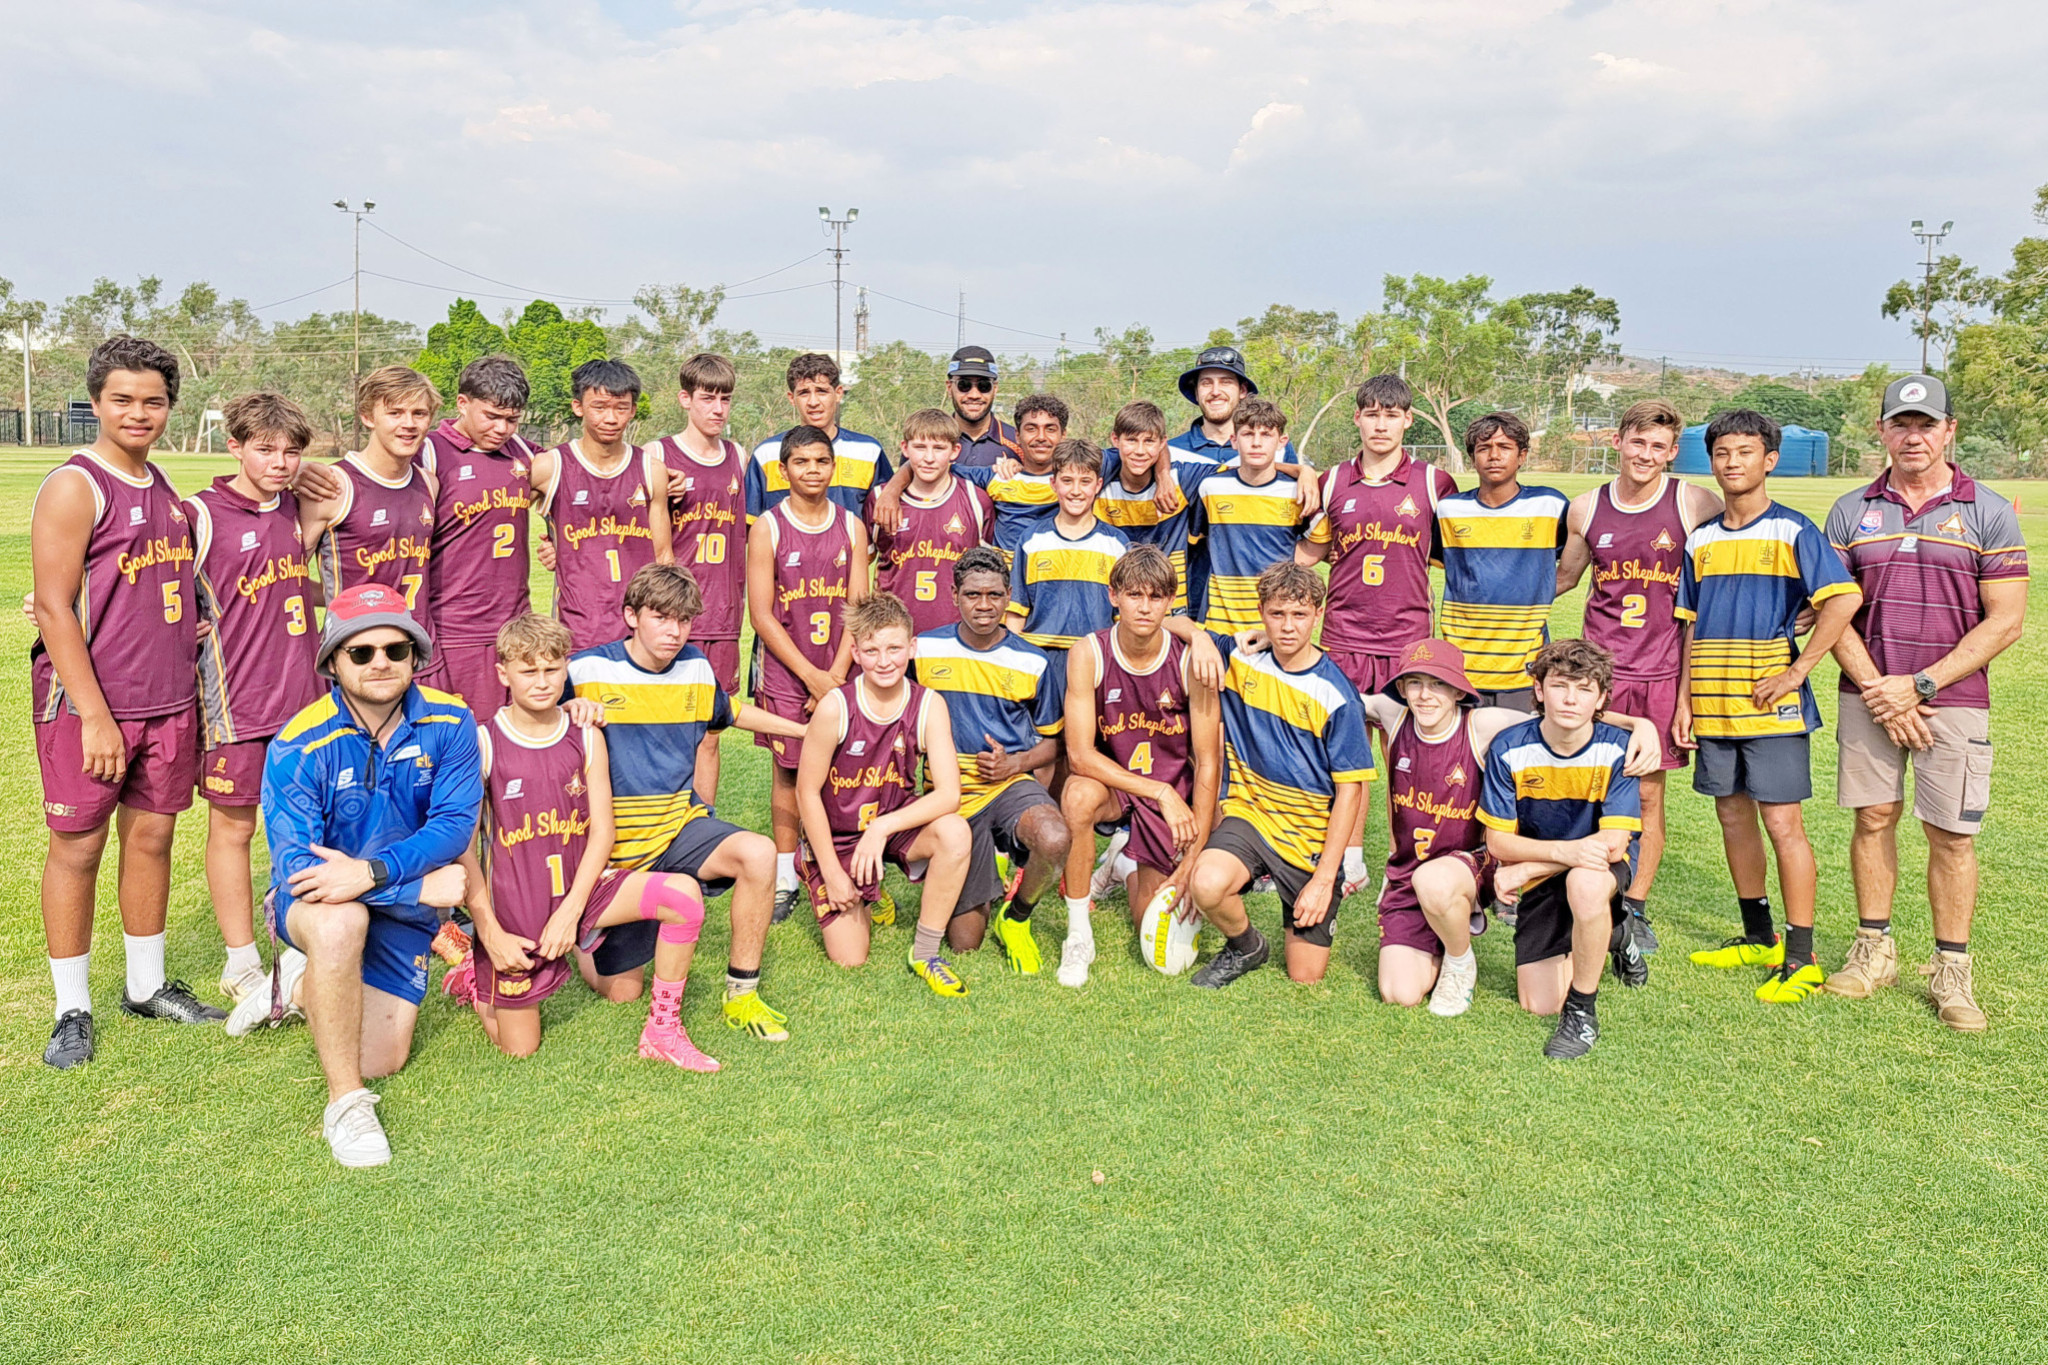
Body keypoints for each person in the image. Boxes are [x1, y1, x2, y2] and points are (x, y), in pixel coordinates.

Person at [231, 585, 479, 1166]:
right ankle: (346, 1104)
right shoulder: (297, 743)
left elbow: (451, 828)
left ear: (416, 655)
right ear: (332, 663)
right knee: (341, 924)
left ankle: (293, 987)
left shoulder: (452, 720)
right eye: (360, 653)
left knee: (384, 1057)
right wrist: (415, 886)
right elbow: (298, 869)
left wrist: (372, 875)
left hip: (382, 895)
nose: (381, 663)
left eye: (396, 649)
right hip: (320, 901)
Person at [31, 336, 218, 1068]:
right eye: (122, 399)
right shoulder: (77, 485)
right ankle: (70, 1005)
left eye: (153, 401)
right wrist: (95, 713)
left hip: (169, 701)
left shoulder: (166, 487)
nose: (139, 413)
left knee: (153, 839)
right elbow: (52, 607)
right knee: (77, 848)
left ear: (170, 405)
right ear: (96, 403)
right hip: (93, 707)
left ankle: (145, 984)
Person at [1824, 375, 2028, 1030]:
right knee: (1874, 818)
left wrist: (1920, 685)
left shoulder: (1988, 510)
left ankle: (1952, 970)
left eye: (1926, 424)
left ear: (1949, 431)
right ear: (1882, 430)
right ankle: (1873, 950)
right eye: (1900, 423)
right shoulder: (1852, 510)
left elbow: (2005, 621)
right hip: (1869, 695)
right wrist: (1883, 691)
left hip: (1953, 699)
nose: (1913, 436)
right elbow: (1832, 610)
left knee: (1950, 833)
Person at [453, 614, 718, 1069]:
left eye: (552, 669)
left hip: (585, 893)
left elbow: (603, 832)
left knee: (684, 897)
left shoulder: (586, 734)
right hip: (519, 910)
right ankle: (476, 982)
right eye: (528, 670)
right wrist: (489, 930)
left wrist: (571, 912)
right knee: (521, 1047)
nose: (542, 682)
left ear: (567, 669)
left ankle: (663, 1030)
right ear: (503, 674)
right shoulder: (484, 742)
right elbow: (464, 846)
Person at [1359, 638, 1665, 1013]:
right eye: (1416, 683)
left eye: (1438, 683)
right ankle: (1443, 937)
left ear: (1458, 689)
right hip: (1412, 873)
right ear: (1402, 688)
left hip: (1471, 864)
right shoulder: (1395, 714)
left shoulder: (1484, 724)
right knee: (1399, 993)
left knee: (1542, 1001)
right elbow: (1341, 696)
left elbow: (1561, 714)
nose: (1426, 695)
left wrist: (1639, 724)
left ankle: (1460, 961)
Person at [568, 564, 808, 1042]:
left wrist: (807, 730)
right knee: (622, 994)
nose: (674, 632)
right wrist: (567, 709)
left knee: (758, 853)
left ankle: (742, 993)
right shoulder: (586, 671)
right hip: (613, 849)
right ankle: (583, 932)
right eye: (661, 617)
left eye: (684, 620)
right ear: (631, 616)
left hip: (678, 827)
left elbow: (731, 711)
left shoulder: (696, 667)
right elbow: (528, 724)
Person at [1676, 409, 1862, 1003]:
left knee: (1783, 823)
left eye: (1746, 452)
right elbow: (1689, 624)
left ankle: (1801, 957)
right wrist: (1684, 700)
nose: (1733, 463)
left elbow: (1842, 600)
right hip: (1710, 703)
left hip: (1770, 709)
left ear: (1770, 460)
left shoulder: (1793, 530)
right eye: (1723, 453)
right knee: (1732, 817)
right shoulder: (1700, 539)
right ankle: (1757, 937)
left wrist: (1797, 669)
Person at [1556, 398, 1722, 947]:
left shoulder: (1694, 503)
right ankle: (1580, 890)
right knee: (1585, 786)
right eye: (1637, 442)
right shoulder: (1585, 508)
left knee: (1648, 796)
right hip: (1596, 676)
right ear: (1618, 441)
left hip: (1661, 672)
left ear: (1673, 452)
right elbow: (1562, 580)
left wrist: (1687, 697)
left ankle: (1635, 906)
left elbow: (1723, 576)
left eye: (1659, 447)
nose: (1646, 455)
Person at [1297, 372, 1461, 895]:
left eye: (1392, 414)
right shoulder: (1331, 480)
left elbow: (1455, 557)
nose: (1381, 424)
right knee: (1345, 756)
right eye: (1372, 413)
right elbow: (1310, 555)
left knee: (1409, 760)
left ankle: (1408, 857)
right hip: (1343, 638)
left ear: (1409, 419)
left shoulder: (1435, 484)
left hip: (1407, 643)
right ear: (1357, 419)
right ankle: (1349, 857)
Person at [189, 392, 326, 1004]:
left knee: (309, 824)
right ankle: (242, 960)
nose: (280, 462)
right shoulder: (199, 514)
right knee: (235, 828)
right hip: (235, 703)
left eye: (291, 451)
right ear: (235, 446)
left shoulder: (300, 505)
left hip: (306, 698)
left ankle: (302, 944)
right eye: (265, 449)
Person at [1184, 562, 1374, 987]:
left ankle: (1311, 902)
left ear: (1318, 615)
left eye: (1300, 615)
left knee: (1305, 976)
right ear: (1261, 612)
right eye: (1277, 615)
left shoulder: (1337, 696)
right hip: (1250, 815)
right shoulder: (1242, 657)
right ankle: (1245, 945)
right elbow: (1175, 620)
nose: (1288, 627)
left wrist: (1325, 880)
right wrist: (1199, 638)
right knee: (1208, 883)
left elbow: (1350, 793)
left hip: (1308, 838)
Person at [794, 593, 975, 995]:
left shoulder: (929, 704)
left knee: (955, 832)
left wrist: (881, 829)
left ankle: (926, 953)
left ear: (912, 647)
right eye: (872, 650)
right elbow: (806, 794)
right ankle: (842, 882)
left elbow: (949, 795)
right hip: (838, 836)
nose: (885, 660)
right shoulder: (835, 708)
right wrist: (834, 873)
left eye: (895, 648)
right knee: (850, 958)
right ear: (855, 652)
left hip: (890, 823)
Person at [1059, 546, 1222, 988]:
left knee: (1155, 934)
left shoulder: (1192, 661)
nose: (1144, 607)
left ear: (1171, 602)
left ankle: (1123, 864)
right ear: (1114, 596)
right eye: (1134, 595)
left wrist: (1193, 857)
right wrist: (1158, 793)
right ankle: (1078, 934)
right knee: (1076, 795)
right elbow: (1079, 755)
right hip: (1119, 786)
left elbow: (1209, 762)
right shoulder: (1088, 653)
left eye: (1155, 597)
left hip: (1174, 788)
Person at [1476, 640, 1644, 1059]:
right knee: (1537, 1003)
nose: (1570, 699)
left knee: (1586, 885)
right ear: (1538, 690)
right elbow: (1497, 842)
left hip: (1595, 869)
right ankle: (1616, 933)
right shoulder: (1509, 747)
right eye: (1560, 685)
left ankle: (1582, 1013)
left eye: (1585, 689)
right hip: (1547, 870)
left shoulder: (1617, 749)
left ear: (1602, 698)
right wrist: (1552, 860)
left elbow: (1612, 845)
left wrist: (1525, 867)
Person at [914, 546, 1070, 973]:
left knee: (1055, 838)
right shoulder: (923, 652)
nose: (984, 606)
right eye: (972, 595)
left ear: (1008, 595)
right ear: (954, 595)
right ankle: (986, 860)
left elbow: (1056, 744)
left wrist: (1015, 764)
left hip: (1008, 783)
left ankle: (1016, 917)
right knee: (965, 943)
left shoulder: (1032, 660)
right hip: (950, 795)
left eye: (995, 595)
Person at [746, 425, 870, 922]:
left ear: (833, 467)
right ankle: (783, 873)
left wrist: (836, 674)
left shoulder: (852, 526)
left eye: (821, 461)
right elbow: (761, 614)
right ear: (784, 470)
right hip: (785, 666)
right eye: (802, 462)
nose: (812, 471)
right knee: (789, 769)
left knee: (841, 767)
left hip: (837, 663)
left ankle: (832, 860)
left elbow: (857, 606)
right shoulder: (768, 528)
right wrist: (812, 678)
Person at [651, 352, 750, 812]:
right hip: (674, 617)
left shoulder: (739, 457)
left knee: (711, 733)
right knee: (661, 727)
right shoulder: (657, 454)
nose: (717, 409)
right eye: (707, 398)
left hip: (726, 617)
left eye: (725, 399)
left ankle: (701, 825)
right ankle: (655, 821)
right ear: (685, 399)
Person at [414, 356, 538, 714]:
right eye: (491, 417)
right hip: (455, 629)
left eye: (512, 419)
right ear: (462, 404)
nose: (502, 429)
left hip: (516, 626)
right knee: (460, 739)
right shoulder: (430, 452)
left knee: (512, 737)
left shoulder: (525, 453)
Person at [533, 358, 674, 652]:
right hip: (576, 627)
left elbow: (663, 557)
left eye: (621, 408)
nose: (611, 418)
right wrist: (550, 546)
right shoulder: (550, 466)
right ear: (578, 407)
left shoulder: (651, 469)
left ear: (633, 410)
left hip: (637, 628)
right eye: (599, 407)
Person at [1433, 412, 1570, 710]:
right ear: (1472, 458)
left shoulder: (1551, 505)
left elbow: (1571, 570)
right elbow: (1442, 566)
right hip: (1462, 667)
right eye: (1484, 448)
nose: (1494, 456)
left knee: (1519, 754)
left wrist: (1530, 593)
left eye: (1504, 447)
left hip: (1524, 669)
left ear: (1522, 456)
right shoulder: (1448, 510)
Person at [301, 364, 442, 626]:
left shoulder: (429, 484)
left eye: (419, 413)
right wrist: (343, 600)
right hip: (359, 655)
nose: (409, 424)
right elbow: (288, 577)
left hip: (420, 649)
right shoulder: (333, 487)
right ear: (367, 417)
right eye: (395, 413)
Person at [871, 393, 1066, 564]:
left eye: (1050, 429)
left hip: (1055, 581)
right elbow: (933, 465)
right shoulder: (997, 477)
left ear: (1063, 435)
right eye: (1031, 428)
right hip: (1009, 591)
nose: (1041, 436)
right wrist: (891, 490)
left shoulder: (1076, 481)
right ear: (1017, 435)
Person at [1007, 438, 1129, 681]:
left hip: (1097, 660)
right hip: (1040, 661)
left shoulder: (1116, 544)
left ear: (1098, 485)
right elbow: (1016, 613)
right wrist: (1015, 660)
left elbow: (1123, 618)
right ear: (1053, 484)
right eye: (1067, 481)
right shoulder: (1031, 540)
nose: (1075, 491)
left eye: (1085, 482)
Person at [869, 407, 992, 636]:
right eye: (919, 447)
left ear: (955, 451)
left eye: (939, 448)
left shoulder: (977, 500)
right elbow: (859, 568)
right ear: (905, 448)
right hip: (891, 635)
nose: (928, 457)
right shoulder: (879, 499)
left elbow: (989, 574)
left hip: (955, 636)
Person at [1188, 397, 1305, 634]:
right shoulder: (1211, 487)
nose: (1256, 443)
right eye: (1248, 434)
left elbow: (1319, 541)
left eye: (1266, 435)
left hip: (1276, 622)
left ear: (1282, 442)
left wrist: (1284, 570)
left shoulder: (1296, 491)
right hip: (1219, 620)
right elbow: (1197, 543)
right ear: (1234, 440)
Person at [747, 352, 892, 520]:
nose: (813, 402)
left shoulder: (869, 451)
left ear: (838, 393)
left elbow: (888, 515)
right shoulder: (767, 454)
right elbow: (750, 525)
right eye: (803, 393)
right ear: (791, 398)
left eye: (822, 391)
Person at [1092, 401, 1204, 615]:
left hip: (1170, 614)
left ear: (1163, 443)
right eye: (1131, 440)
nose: (1140, 451)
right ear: (1115, 440)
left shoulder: (1183, 480)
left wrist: (1164, 475)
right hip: (1112, 610)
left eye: (1149, 441)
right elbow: (1062, 465)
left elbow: (1244, 471)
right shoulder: (1099, 476)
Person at [1168, 344, 1295, 467]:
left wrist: (1305, 471)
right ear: (1196, 392)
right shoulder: (1170, 452)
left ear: (1243, 390)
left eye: (1226, 382)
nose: (1215, 392)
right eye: (1206, 383)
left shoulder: (1276, 447)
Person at [947, 345, 1020, 470]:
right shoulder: (928, 440)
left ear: (995, 388)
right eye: (964, 385)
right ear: (949, 387)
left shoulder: (1019, 443)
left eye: (984, 386)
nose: (974, 395)